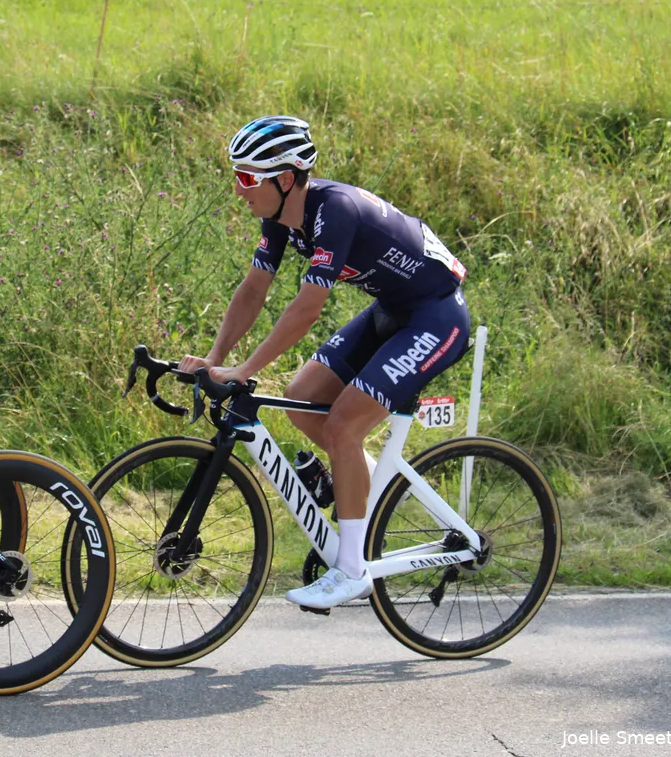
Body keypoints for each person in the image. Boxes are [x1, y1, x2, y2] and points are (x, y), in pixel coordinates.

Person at [181, 115, 471, 608]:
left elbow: (307, 309)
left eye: (247, 177)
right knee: (301, 398)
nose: (238, 190)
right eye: (236, 176)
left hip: (436, 317)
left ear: (285, 179)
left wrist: (244, 372)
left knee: (341, 427)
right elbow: (253, 290)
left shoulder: (335, 211)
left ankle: (353, 571)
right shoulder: (279, 219)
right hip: (392, 310)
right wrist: (214, 359)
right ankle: (365, 482)